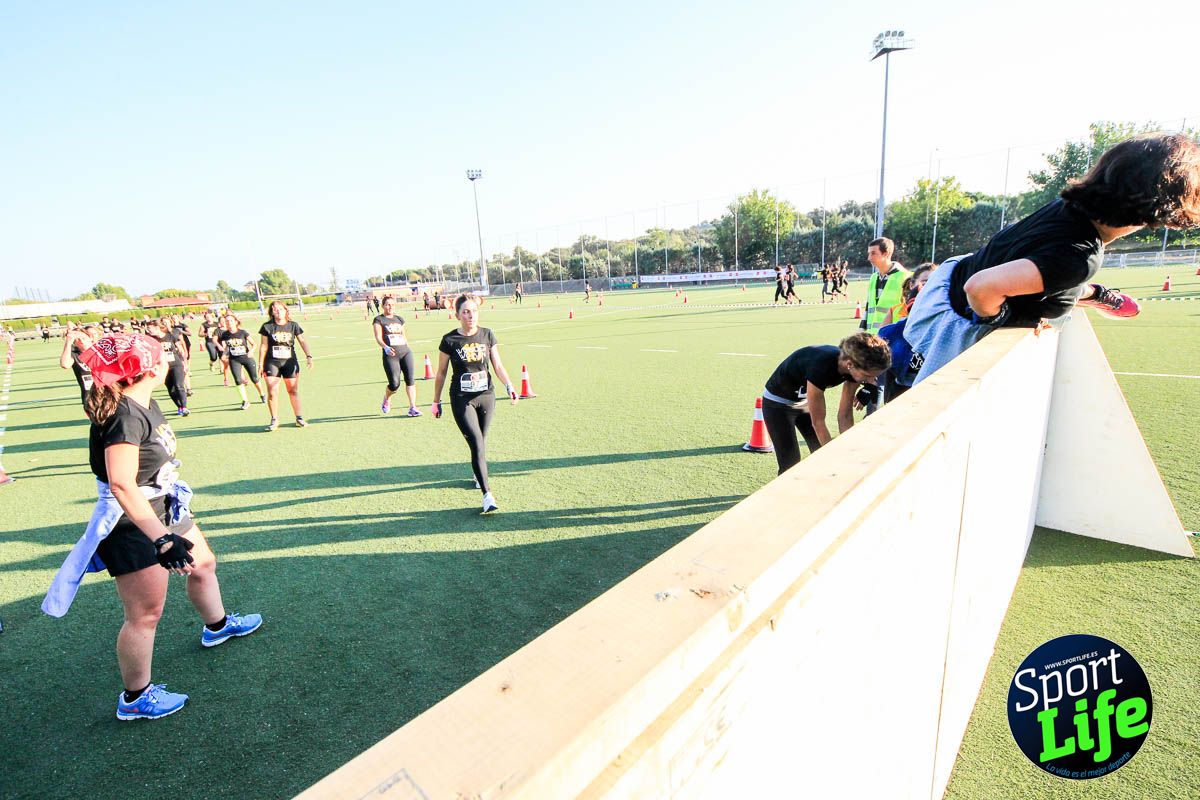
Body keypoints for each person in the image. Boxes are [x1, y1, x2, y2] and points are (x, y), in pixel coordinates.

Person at [41, 332, 262, 720]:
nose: (168, 360)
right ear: (144, 369)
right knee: (145, 614)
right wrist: (161, 539)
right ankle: (135, 698)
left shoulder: (143, 401)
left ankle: (218, 625)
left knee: (204, 564)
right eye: (161, 357)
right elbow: (122, 484)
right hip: (134, 521)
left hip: (163, 504)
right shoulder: (124, 415)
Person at [906, 132, 1200, 384]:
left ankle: (1090, 294)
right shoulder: (1080, 256)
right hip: (958, 317)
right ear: (1161, 210)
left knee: (1060, 283)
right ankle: (1085, 295)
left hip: (952, 276)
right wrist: (998, 320)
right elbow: (980, 288)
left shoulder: (1067, 208)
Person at [431, 294, 519, 513]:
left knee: (482, 439)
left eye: (474, 311)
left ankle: (477, 473)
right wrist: (436, 401)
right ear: (457, 315)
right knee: (477, 443)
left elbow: (497, 365)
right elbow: (441, 373)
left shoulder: (487, 334)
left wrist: (510, 386)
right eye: (465, 312)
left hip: (486, 395)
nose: (470, 316)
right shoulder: (450, 340)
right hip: (462, 399)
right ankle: (487, 495)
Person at [760, 332, 892, 475]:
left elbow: (845, 416)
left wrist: (850, 450)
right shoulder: (822, 366)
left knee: (819, 449)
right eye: (868, 376)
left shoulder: (853, 368)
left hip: (803, 402)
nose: (873, 381)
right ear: (849, 365)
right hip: (778, 404)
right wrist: (833, 460)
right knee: (791, 463)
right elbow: (818, 423)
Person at [258, 300, 314, 431]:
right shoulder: (267, 327)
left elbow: (302, 341)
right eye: (275, 309)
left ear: (285, 310)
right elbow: (263, 346)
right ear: (272, 312)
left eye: (280, 309)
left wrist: (309, 356)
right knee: (272, 392)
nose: (278, 311)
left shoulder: (293, 325)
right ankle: (274, 419)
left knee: (293, 390)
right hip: (272, 362)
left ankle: (299, 418)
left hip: (289, 362)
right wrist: (260, 363)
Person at [372, 295, 420, 416]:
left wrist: (407, 347)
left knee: (410, 380)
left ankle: (413, 407)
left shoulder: (399, 319)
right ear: (383, 306)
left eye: (392, 305)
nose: (390, 307)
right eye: (388, 304)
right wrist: (385, 347)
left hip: (405, 352)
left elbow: (403, 335)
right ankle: (387, 398)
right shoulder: (379, 320)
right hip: (391, 355)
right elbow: (378, 337)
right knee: (394, 384)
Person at [219, 315, 265, 410]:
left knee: (254, 379)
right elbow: (228, 347)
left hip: (246, 358)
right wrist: (224, 354)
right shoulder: (225, 334)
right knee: (238, 380)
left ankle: (262, 395)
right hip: (234, 359)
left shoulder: (242, 332)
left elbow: (254, 344)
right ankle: (245, 401)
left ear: (236, 322)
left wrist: (251, 351)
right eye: (227, 321)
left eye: (231, 320)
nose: (229, 323)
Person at [149, 318, 190, 416]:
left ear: (157, 327)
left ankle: (184, 407)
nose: (148, 330)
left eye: (150, 328)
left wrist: (185, 363)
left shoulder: (170, 336)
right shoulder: (151, 340)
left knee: (179, 385)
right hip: (163, 367)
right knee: (171, 389)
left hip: (176, 364)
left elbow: (180, 350)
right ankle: (179, 406)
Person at [59, 323, 102, 406]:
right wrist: (68, 342)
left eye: (83, 338)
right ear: (75, 344)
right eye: (78, 340)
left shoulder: (101, 351)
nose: (82, 341)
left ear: (90, 338)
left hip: (109, 394)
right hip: (90, 397)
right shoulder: (75, 355)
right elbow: (65, 364)